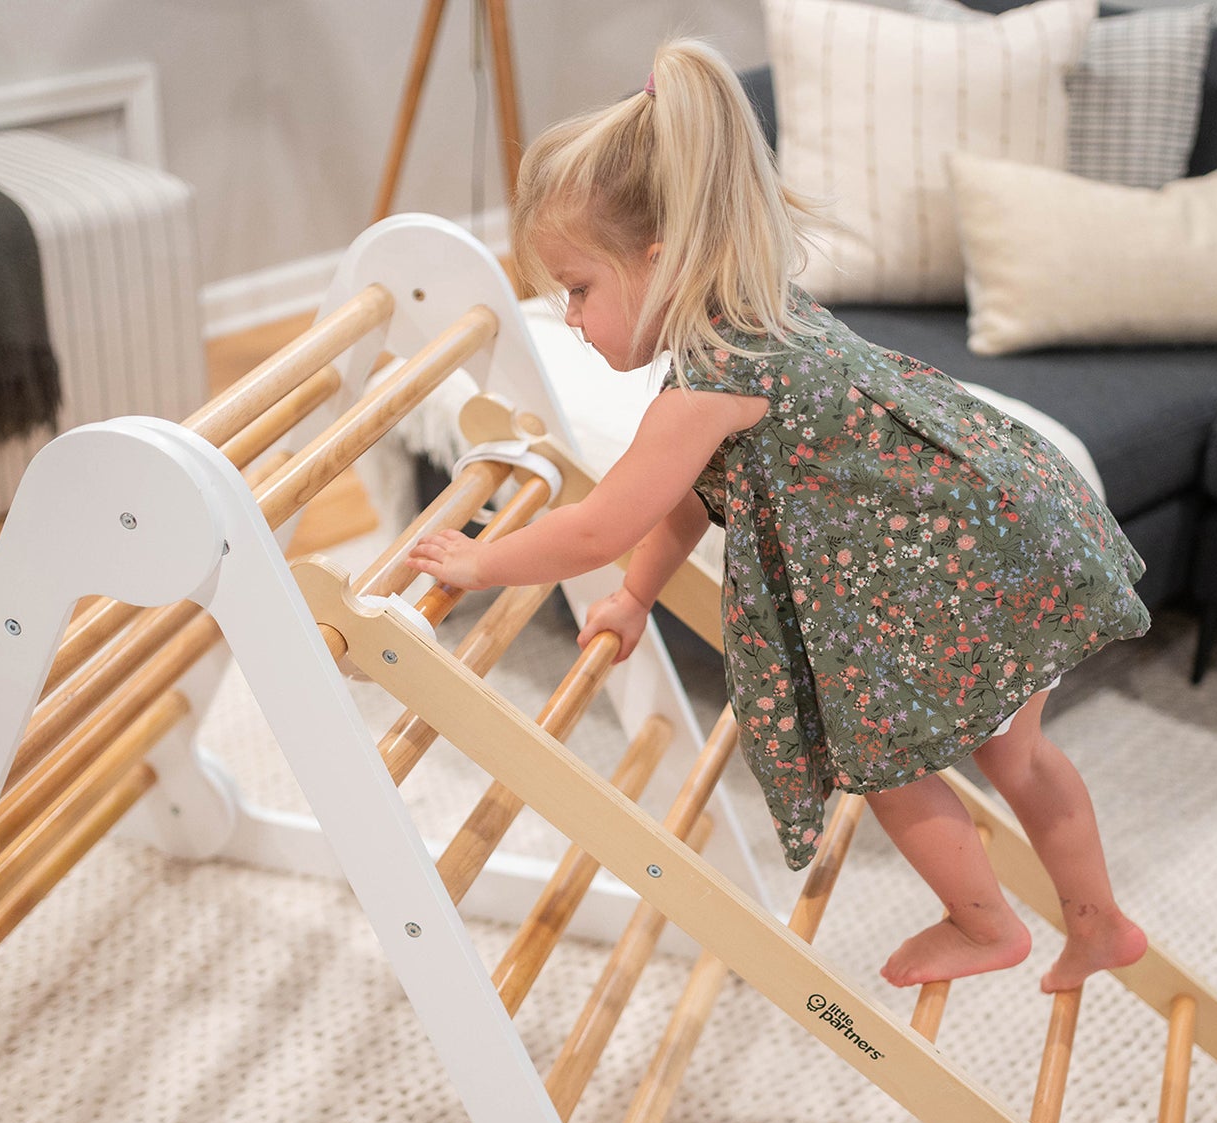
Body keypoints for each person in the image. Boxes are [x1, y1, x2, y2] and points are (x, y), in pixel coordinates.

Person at [407, 39, 1151, 994]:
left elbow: (602, 521)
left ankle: (985, 924)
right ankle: (1100, 926)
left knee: (880, 758)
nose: (574, 320)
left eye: (580, 291)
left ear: (660, 258)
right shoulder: (754, 318)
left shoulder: (709, 382)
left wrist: (479, 561)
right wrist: (634, 600)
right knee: (1019, 751)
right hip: (1010, 515)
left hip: (952, 554)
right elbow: (686, 500)